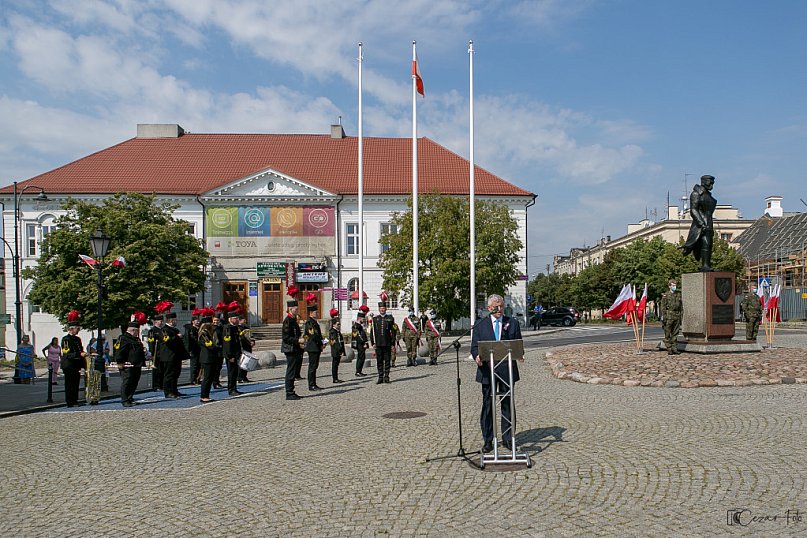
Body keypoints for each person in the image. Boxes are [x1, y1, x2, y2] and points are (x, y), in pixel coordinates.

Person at [470, 294, 524, 453]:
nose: (500, 309)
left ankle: (508, 438)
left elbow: (518, 344)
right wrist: (476, 357)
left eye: (501, 306)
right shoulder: (480, 325)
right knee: (488, 405)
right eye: (496, 306)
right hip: (487, 371)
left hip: (506, 370)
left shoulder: (512, 323)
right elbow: (474, 347)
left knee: (507, 404)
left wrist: (520, 354)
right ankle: (488, 440)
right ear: (489, 308)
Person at [680, 174, 717, 272]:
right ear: (703, 181)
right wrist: (701, 223)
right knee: (705, 243)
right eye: (710, 182)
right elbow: (693, 210)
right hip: (700, 224)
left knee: (708, 245)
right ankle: (705, 265)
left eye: (713, 183)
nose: (712, 185)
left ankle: (707, 265)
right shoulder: (696, 194)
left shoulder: (709, 196)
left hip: (709, 222)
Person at [115, 311, 147, 407]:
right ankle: (125, 399)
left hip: (136, 363)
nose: (137, 333)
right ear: (133, 330)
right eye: (137, 331)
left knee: (134, 381)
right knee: (127, 381)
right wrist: (120, 362)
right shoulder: (123, 338)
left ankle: (130, 397)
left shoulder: (136, 339)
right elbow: (120, 351)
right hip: (127, 364)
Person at [160, 302, 189, 398]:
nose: (176, 321)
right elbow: (167, 341)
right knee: (169, 374)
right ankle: (168, 391)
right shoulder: (164, 330)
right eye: (175, 320)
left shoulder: (175, 330)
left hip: (176, 356)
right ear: (171, 320)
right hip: (169, 356)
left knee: (176, 374)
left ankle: (174, 390)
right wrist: (176, 337)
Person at [61, 309, 88, 407]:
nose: (78, 330)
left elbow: (80, 350)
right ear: (71, 329)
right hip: (69, 365)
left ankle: (75, 400)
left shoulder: (77, 339)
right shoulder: (66, 339)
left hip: (76, 365)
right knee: (70, 384)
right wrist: (79, 354)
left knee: (76, 384)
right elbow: (67, 353)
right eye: (77, 328)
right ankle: (70, 401)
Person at [282, 297, 304, 400]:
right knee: (291, 371)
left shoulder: (293, 320)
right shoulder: (288, 321)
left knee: (294, 370)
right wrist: (298, 341)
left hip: (295, 348)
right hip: (289, 348)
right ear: (290, 309)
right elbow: (286, 338)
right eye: (295, 309)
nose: (297, 310)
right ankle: (289, 392)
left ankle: (291, 390)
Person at [370, 301, 396, 384]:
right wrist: (373, 343)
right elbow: (372, 332)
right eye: (381, 308)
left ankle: (386, 377)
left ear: (386, 309)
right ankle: (380, 377)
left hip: (387, 343)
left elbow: (393, 332)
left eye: (383, 308)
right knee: (379, 361)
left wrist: (392, 343)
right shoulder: (375, 319)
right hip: (378, 343)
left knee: (387, 361)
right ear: (379, 309)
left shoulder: (390, 318)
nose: (382, 310)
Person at [197, 308, 218, 403]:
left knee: (210, 377)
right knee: (207, 378)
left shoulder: (208, 334)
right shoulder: (204, 334)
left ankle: (207, 395)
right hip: (207, 358)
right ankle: (204, 396)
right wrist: (217, 347)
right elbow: (209, 345)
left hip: (210, 358)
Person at [303, 300, 326, 391]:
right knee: (312, 366)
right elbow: (313, 335)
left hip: (316, 346)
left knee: (315, 366)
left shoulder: (314, 322)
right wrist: (321, 342)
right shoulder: (309, 323)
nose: (317, 313)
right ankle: (311, 385)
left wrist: (323, 342)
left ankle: (314, 383)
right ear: (311, 313)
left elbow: (318, 335)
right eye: (316, 312)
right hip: (313, 347)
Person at [222, 302, 244, 396]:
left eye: (237, 318)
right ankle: (231, 389)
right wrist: (229, 356)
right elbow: (227, 343)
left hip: (236, 353)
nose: (237, 320)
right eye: (235, 318)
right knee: (231, 373)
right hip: (231, 355)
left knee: (235, 372)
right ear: (230, 319)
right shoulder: (228, 328)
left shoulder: (236, 328)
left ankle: (234, 387)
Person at [659, 279, 682, 355]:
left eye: (675, 285)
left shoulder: (678, 294)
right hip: (669, 316)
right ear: (669, 286)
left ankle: (674, 348)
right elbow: (663, 307)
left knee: (675, 333)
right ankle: (669, 348)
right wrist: (664, 317)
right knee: (667, 333)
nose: (674, 287)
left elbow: (681, 307)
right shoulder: (666, 295)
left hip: (677, 315)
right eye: (673, 285)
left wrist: (681, 316)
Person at [147, 314, 165, 391]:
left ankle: (162, 385)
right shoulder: (152, 331)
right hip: (156, 353)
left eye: (162, 321)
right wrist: (151, 353)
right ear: (155, 322)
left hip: (163, 352)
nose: (161, 323)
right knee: (157, 370)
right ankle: (156, 386)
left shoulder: (163, 330)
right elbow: (151, 343)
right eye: (160, 321)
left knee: (163, 370)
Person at [184, 309, 201, 384]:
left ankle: (198, 378)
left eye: (198, 320)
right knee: (194, 365)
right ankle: (193, 379)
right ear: (193, 321)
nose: (198, 321)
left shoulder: (199, 328)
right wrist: (189, 350)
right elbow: (188, 340)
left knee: (199, 365)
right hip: (194, 349)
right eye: (196, 320)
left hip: (199, 349)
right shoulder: (190, 329)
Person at [328, 309, 346, 383]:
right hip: (335, 351)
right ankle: (335, 379)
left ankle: (336, 378)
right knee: (335, 365)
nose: (339, 326)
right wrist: (339, 350)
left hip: (338, 350)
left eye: (339, 324)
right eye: (338, 324)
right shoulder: (332, 332)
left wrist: (342, 350)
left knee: (337, 365)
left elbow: (341, 341)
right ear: (334, 325)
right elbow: (334, 342)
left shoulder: (337, 331)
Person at [237, 315, 256, 383]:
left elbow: (251, 335)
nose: (245, 321)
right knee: (241, 362)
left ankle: (244, 377)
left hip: (248, 346)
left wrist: (253, 341)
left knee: (247, 362)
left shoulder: (247, 327)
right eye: (243, 320)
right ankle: (239, 377)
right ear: (240, 320)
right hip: (242, 346)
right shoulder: (237, 328)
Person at [352, 309, 369, 377]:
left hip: (361, 343)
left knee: (362, 357)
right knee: (361, 357)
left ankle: (359, 371)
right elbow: (358, 336)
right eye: (363, 318)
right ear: (359, 318)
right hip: (359, 344)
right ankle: (358, 371)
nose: (364, 319)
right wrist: (364, 342)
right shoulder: (356, 326)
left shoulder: (360, 326)